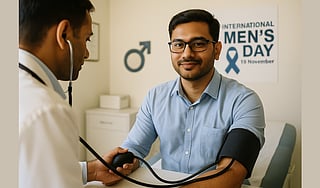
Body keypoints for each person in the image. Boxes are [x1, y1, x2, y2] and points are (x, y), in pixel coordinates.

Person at [121, 9, 266, 188]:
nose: (187, 54)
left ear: (217, 50)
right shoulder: (155, 97)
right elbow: (134, 146)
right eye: (178, 44)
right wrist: (126, 162)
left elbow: (231, 173)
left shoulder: (245, 101)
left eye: (198, 44)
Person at [19, 0, 135, 187]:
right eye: (86, 39)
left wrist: (92, 170)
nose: (87, 53)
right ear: (63, 34)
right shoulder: (46, 111)